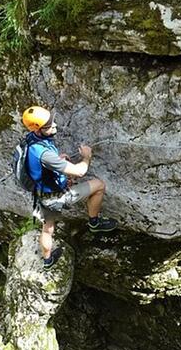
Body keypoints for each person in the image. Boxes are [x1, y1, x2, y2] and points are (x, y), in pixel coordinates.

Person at [22, 106, 117, 269]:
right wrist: (86, 157)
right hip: (56, 196)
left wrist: (58, 160)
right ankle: (94, 222)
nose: (55, 126)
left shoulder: (31, 141)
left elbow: (38, 164)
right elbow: (80, 171)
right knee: (99, 185)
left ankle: (47, 261)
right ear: (38, 130)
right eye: (50, 126)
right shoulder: (44, 154)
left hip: (41, 194)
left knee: (47, 229)